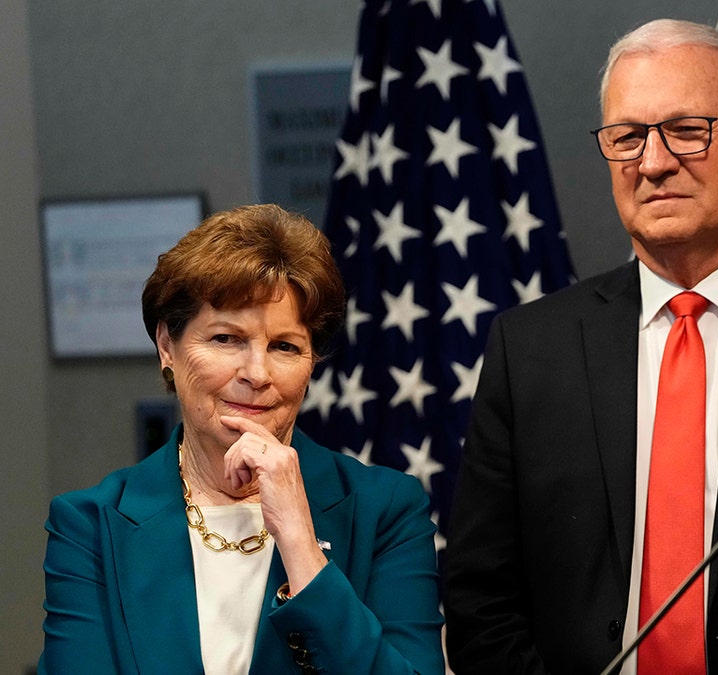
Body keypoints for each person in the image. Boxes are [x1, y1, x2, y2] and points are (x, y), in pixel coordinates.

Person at [444, 18, 718, 675]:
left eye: (686, 130)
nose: (653, 162)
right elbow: (482, 596)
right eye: (628, 137)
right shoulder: (530, 348)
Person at [39, 205, 444, 674]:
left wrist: (300, 543)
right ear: (167, 346)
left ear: (311, 362)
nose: (256, 374)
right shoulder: (90, 525)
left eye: (285, 347)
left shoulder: (385, 511)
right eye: (227, 339)